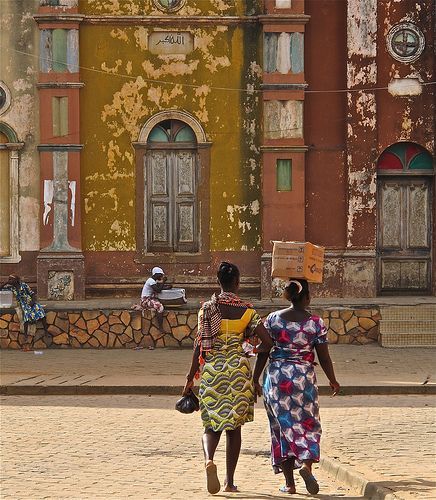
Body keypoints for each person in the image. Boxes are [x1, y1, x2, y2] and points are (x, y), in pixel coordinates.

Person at [183, 262, 273, 495]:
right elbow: (268, 343)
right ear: (238, 283)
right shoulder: (248, 312)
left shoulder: (207, 309)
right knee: (234, 429)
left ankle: (208, 460)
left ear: (218, 282)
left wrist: (190, 378)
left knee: (211, 425)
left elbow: (199, 345)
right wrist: (254, 371)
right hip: (238, 373)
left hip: (212, 372)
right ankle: (229, 482)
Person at [253, 279, 340, 495]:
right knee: (308, 424)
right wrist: (333, 379)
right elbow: (325, 357)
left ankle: (289, 484)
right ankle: (307, 466)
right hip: (304, 380)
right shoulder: (315, 323)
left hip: (277, 379)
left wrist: (254, 378)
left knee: (282, 428)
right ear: (307, 297)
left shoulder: (273, 319)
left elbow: (264, 350)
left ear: (288, 296)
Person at [0, 275, 49, 350]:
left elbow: (32, 294)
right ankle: (25, 335)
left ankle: (46, 331)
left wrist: (33, 301)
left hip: (30, 301)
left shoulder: (24, 285)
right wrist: (6, 282)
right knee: (26, 314)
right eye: (9, 279)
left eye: (11, 279)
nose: (10, 281)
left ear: (16, 280)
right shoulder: (11, 287)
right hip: (22, 303)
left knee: (41, 312)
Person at [140, 267, 172, 333]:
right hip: (145, 301)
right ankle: (160, 327)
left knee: (160, 302)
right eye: (161, 275)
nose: (161, 276)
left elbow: (159, 287)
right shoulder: (150, 281)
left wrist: (167, 286)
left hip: (149, 299)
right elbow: (158, 290)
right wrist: (163, 281)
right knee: (160, 307)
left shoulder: (153, 281)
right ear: (156, 274)